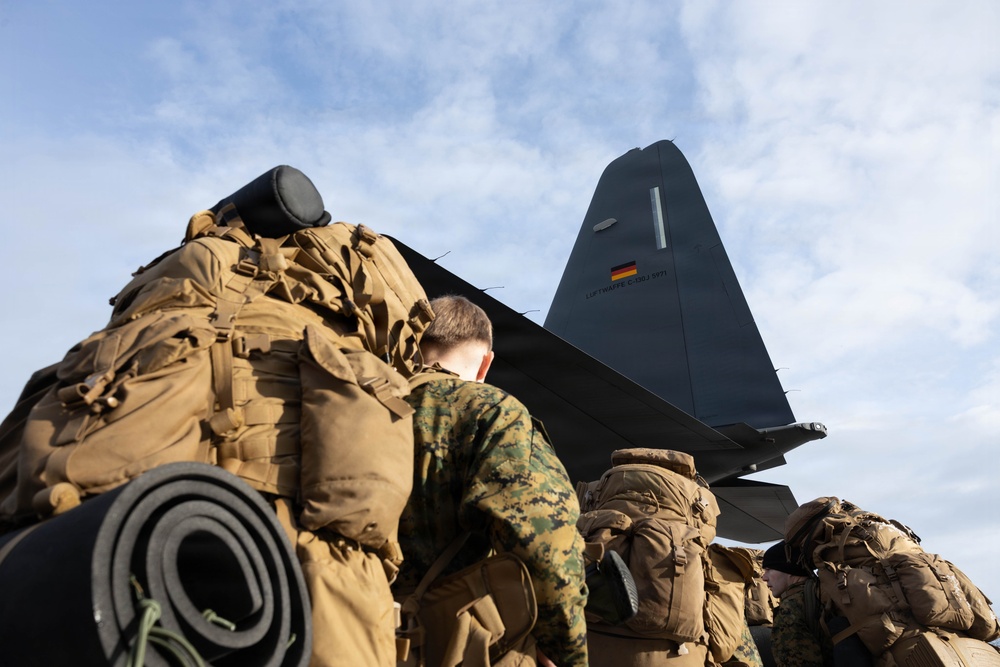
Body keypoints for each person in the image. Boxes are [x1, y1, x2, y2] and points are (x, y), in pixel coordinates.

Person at [396, 294, 588, 667]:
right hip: (444, 643)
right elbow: (545, 542)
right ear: (486, 362)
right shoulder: (493, 411)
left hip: (340, 628)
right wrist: (566, 653)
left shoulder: (366, 400)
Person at [762, 541, 833, 667]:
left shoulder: (790, 609)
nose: (764, 577)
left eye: (768, 569)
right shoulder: (824, 593)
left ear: (788, 569)